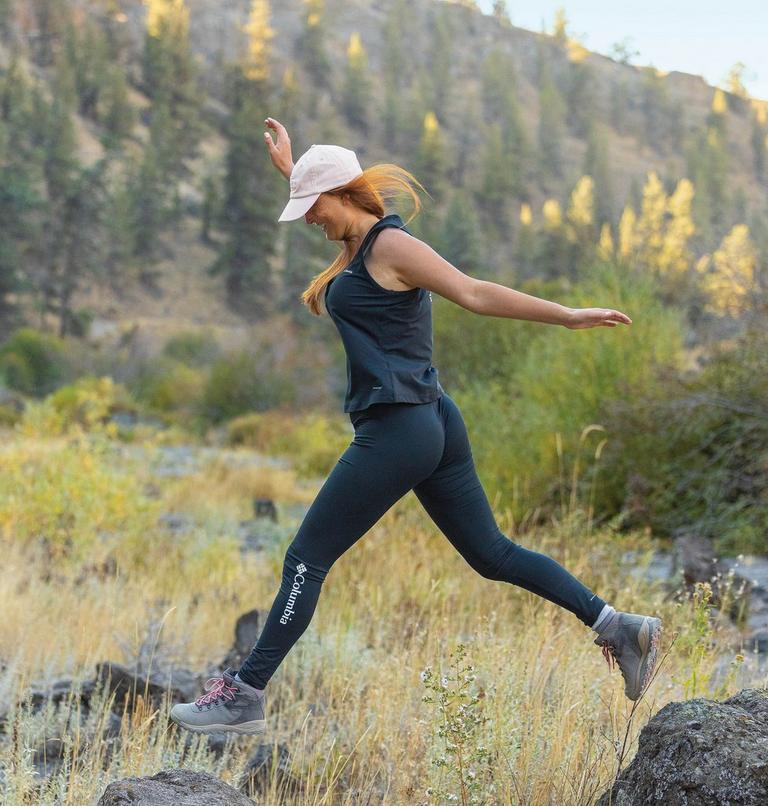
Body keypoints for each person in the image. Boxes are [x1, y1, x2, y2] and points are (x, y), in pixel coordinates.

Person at [170, 119, 663, 736]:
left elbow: (475, 292)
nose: (306, 220)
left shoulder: (389, 247)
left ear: (344, 194)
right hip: (432, 419)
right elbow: (329, 206)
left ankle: (244, 694)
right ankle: (618, 625)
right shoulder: (357, 244)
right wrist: (294, 171)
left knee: (305, 559)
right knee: (493, 554)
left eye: (311, 207)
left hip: (399, 429)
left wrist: (565, 316)